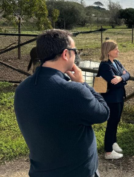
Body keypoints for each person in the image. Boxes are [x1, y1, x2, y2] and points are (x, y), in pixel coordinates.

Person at [14, 29, 110, 177]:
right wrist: (82, 83)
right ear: (66, 54)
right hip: (77, 172)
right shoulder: (73, 90)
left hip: (40, 171)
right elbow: (104, 112)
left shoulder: (22, 88)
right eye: (75, 51)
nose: (76, 55)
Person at [97, 40, 130, 160]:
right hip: (111, 99)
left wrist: (121, 77)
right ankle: (108, 151)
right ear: (108, 51)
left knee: (116, 121)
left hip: (119, 97)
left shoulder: (116, 62)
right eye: (115, 49)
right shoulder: (105, 66)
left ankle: (113, 142)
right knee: (111, 123)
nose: (118, 51)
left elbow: (128, 74)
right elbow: (114, 84)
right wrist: (123, 77)